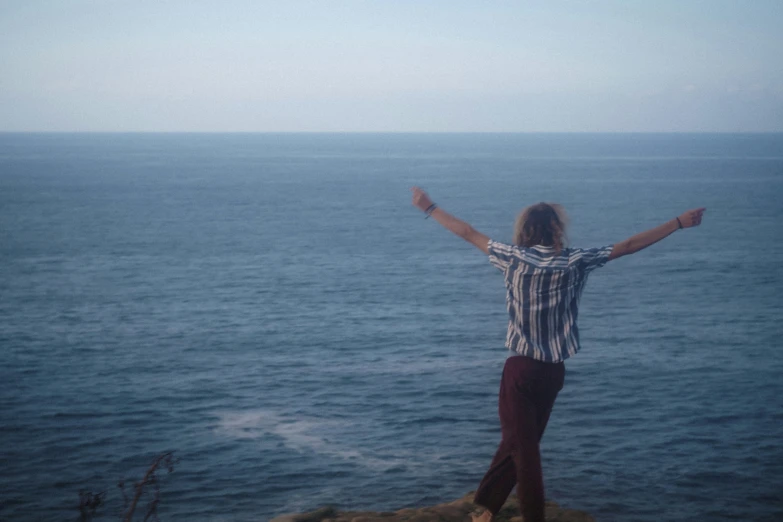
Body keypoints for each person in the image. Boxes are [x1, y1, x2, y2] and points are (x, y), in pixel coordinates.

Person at [410, 187, 705, 522]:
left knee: (524, 449)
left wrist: (428, 206)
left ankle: (529, 517)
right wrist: (677, 223)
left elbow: (466, 231)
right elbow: (628, 246)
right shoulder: (575, 261)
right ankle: (488, 510)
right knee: (520, 443)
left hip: (520, 371)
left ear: (525, 230)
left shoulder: (512, 257)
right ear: (556, 230)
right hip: (553, 373)